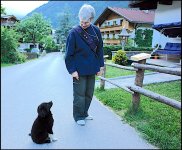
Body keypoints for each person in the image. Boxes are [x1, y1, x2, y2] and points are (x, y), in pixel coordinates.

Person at [65, 4, 104, 126]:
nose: (83, 24)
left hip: (92, 68)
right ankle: (78, 116)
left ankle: (85, 113)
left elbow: (100, 50)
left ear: (91, 19)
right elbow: (68, 55)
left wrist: (100, 66)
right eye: (81, 22)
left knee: (89, 93)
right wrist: (72, 70)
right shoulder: (73, 33)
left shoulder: (96, 31)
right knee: (79, 95)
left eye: (86, 22)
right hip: (78, 70)